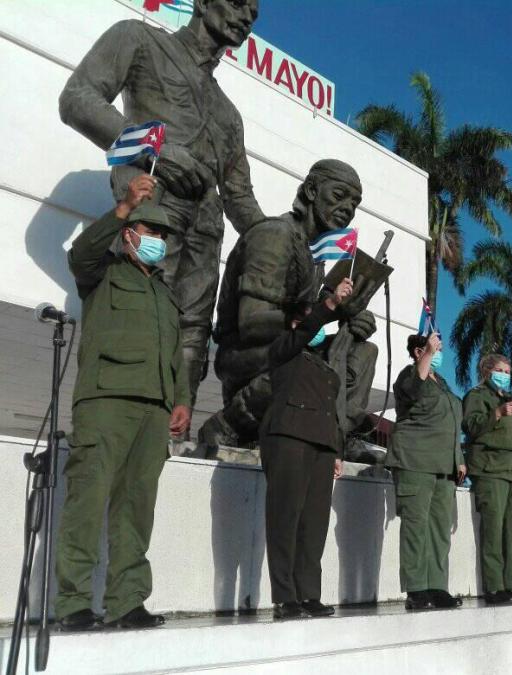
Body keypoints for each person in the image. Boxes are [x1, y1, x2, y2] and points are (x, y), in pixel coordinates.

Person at [59, 0, 266, 411]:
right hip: (152, 217)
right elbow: (77, 99)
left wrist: (281, 237)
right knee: (139, 322)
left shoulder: (230, 115)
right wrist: (157, 148)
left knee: (192, 333)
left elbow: (240, 199)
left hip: (205, 237)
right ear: (203, 2)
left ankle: (174, 436)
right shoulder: (139, 40)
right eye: (238, 3)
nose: (246, 16)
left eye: (254, 13)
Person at [56, 173, 191, 630]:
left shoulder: (165, 297)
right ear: (130, 233)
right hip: (106, 400)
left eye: (163, 235)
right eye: (152, 231)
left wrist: (182, 400)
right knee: (87, 502)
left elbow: (177, 356)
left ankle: (127, 601)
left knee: (136, 508)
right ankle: (72, 603)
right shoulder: (103, 273)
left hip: (153, 410)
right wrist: (123, 208)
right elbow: (80, 254)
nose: (159, 240)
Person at [199, 159, 378, 454]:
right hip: (246, 353)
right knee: (308, 357)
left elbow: (309, 318)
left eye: (354, 203)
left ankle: (335, 437)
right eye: (338, 196)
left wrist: (346, 315)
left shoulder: (312, 255)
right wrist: (318, 316)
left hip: (290, 344)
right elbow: (252, 321)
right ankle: (229, 424)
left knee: (363, 352)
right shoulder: (275, 235)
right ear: (310, 190)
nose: (347, 208)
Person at [260, 275, 355, 620]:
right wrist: (329, 304)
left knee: (313, 525)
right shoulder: (284, 349)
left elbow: (333, 412)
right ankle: (286, 597)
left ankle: (308, 594)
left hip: (321, 445)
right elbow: (303, 331)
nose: (317, 328)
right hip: (288, 436)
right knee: (285, 518)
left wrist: (336, 450)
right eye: (309, 320)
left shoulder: (325, 367)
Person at [386, 333, 466, 611]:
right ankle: (417, 588)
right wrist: (428, 354)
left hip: (444, 467)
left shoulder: (442, 384)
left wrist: (459, 458)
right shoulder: (409, 375)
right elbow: (413, 390)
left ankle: (437, 585)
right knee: (415, 528)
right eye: (433, 349)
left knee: (439, 531)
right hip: (415, 462)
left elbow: (452, 422)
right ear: (419, 351)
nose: (438, 353)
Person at [462, 354, 512, 605]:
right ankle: (494, 588)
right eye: (500, 370)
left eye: (507, 370)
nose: (505, 374)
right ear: (487, 371)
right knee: (493, 531)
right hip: (491, 471)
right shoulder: (478, 395)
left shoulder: (509, 399)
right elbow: (471, 426)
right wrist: (497, 413)